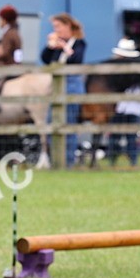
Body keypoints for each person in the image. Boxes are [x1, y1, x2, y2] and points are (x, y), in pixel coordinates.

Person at [40, 13, 86, 165]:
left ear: (67, 26)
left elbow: (76, 59)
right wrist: (51, 46)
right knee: (52, 122)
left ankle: (68, 161)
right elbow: (46, 59)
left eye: (58, 26)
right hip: (56, 86)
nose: (56, 30)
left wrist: (64, 47)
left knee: (69, 124)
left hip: (72, 85)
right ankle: (56, 160)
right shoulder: (57, 44)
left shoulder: (78, 43)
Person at [105, 37, 140, 166]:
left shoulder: (137, 72)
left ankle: (133, 162)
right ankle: (112, 161)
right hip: (119, 107)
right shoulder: (114, 71)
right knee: (115, 136)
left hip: (133, 107)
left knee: (131, 137)